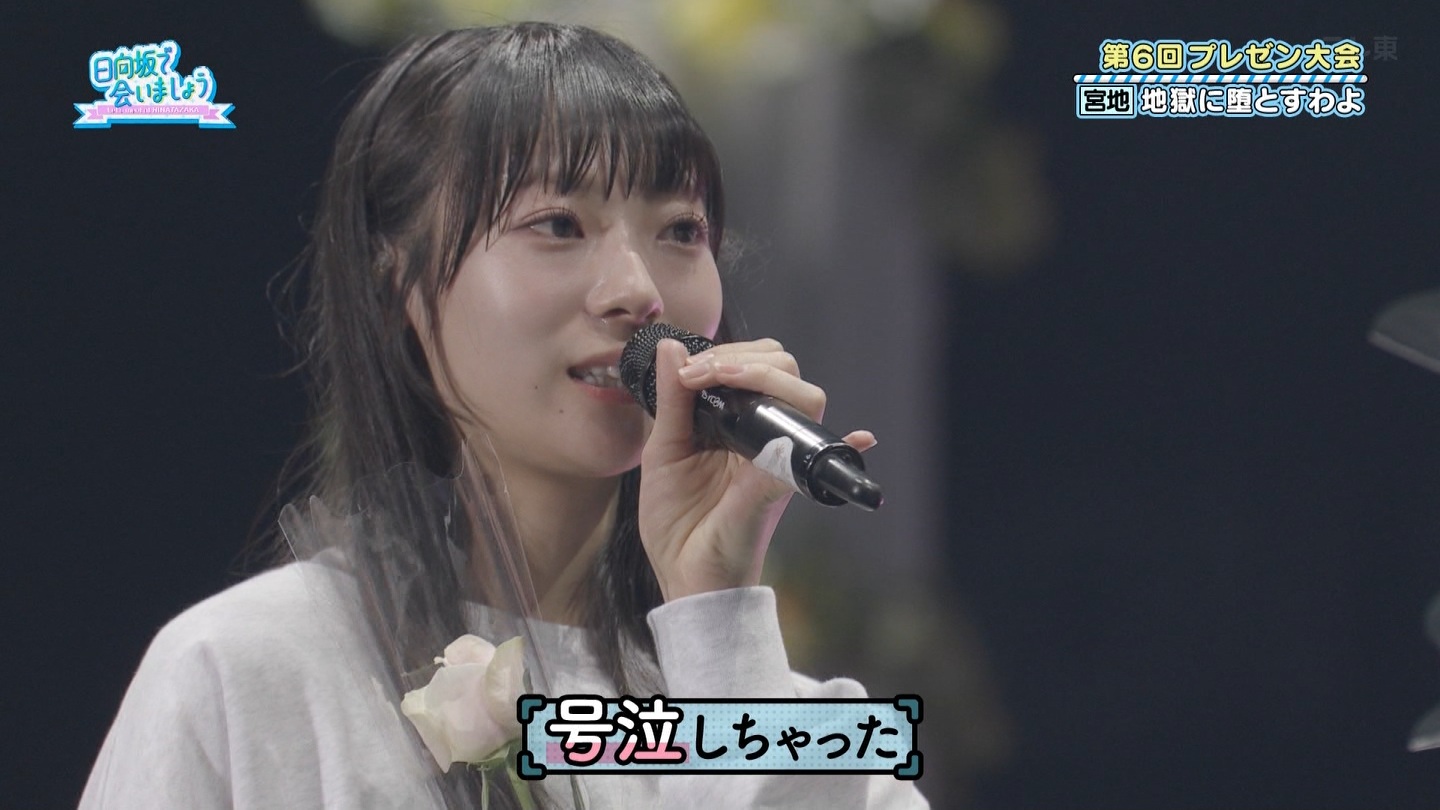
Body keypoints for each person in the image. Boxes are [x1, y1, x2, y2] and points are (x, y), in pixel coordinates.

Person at [79, 22, 928, 809]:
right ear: (399, 285)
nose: (637, 290)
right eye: (558, 224)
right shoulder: (244, 672)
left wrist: (720, 622)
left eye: (680, 229)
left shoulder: (820, 746)